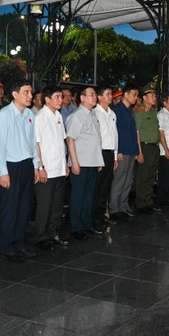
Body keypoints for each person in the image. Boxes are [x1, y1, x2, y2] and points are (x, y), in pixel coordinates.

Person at [0, 80, 40, 262]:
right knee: (10, 207)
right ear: (15, 94)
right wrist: (2, 172)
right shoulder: (4, 115)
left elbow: (33, 142)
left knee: (24, 207)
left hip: (27, 165)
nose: (30, 96)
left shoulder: (29, 114)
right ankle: (7, 245)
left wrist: (36, 165)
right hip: (10, 166)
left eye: (30, 92)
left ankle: (20, 243)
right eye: (26, 92)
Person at [66, 85, 104, 241]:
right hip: (80, 163)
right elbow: (70, 139)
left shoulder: (92, 114)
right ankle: (76, 227)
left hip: (92, 162)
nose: (94, 97)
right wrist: (74, 162)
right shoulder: (77, 116)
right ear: (82, 98)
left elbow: (96, 139)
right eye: (91, 95)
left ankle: (86, 224)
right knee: (78, 196)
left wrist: (99, 159)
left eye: (95, 94)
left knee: (89, 196)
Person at [34, 87, 69, 250]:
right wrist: (40, 166)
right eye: (57, 97)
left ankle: (53, 233)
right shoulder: (40, 117)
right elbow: (37, 144)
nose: (60, 100)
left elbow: (62, 142)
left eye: (61, 97)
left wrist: (65, 164)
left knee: (56, 205)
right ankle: (41, 236)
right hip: (46, 169)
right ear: (47, 99)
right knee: (44, 205)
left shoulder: (58, 116)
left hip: (59, 168)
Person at [109, 84, 139, 220]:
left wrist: (136, 151)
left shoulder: (130, 111)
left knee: (128, 180)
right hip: (122, 151)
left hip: (131, 150)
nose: (135, 98)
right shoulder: (116, 110)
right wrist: (118, 151)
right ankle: (114, 208)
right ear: (126, 95)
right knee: (119, 180)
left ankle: (123, 205)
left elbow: (133, 132)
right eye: (133, 94)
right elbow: (115, 133)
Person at [134, 82, 161, 214]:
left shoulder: (152, 111)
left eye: (154, 95)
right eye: (151, 95)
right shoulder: (140, 112)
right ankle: (141, 203)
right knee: (143, 176)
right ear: (144, 97)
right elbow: (137, 132)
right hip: (145, 147)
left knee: (151, 176)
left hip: (154, 147)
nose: (154, 97)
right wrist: (139, 152)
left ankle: (148, 201)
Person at [92, 84, 118, 226]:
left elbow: (115, 136)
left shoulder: (112, 114)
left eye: (110, 94)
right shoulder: (94, 113)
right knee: (97, 185)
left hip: (109, 152)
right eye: (107, 94)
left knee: (106, 186)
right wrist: (96, 158)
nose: (110, 96)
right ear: (100, 97)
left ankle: (102, 215)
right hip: (99, 153)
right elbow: (95, 137)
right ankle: (94, 216)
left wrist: (114, 156)